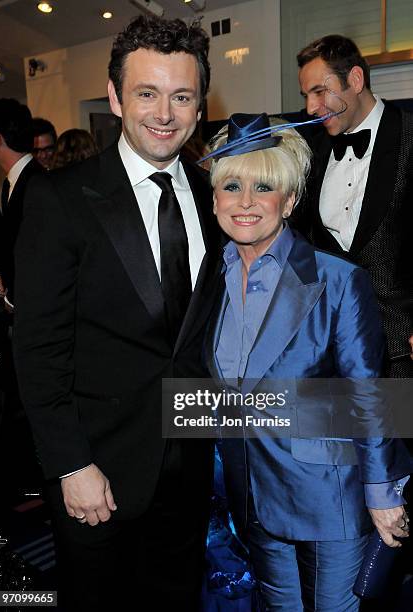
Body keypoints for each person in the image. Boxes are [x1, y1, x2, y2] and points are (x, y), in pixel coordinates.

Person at [13, 15, 222, 612]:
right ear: (115, 97)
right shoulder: (61, 199)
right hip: (96, 470)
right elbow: (38, 349)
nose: (164, 112)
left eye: (181, 96)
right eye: (146, 93)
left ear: (200, 103)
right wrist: (70, 463)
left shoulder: (217, 196)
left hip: (189, 460)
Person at [205, 113, 412, 611]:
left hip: (329, 497)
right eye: (232, 186)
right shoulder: (205, 279)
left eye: (264, 187)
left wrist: (383, 493)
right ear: (214, 199)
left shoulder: (339, 279)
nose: (246, 201)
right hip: (251, 495)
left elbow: (368, 392)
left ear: (291, 201)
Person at [295, 34, 413, 377]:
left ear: (356, 79)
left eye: (319, 91)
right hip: (332, 351)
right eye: (306, 96)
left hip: (401, 351)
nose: (310, 108)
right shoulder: (312, 150)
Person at [0, 99, 43, 307]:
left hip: (36, 307)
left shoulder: (39, 184)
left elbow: (38, 254)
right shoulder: (10, 183)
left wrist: (13, 298)